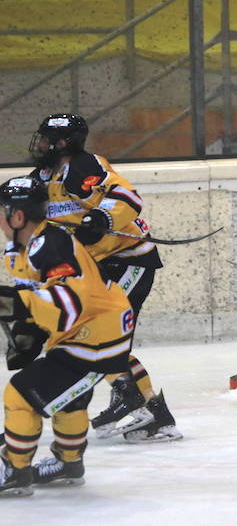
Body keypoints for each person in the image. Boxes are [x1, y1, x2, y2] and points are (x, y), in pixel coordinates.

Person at [28, 113, 180, 443]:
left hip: (128, 261)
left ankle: (137, 402)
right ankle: (152, 412)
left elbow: (128, 197)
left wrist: (101, 215)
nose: (39, 144)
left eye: (46, 138)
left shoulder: (83, 166)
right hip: (99, 266)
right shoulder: (40, 177)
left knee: (102, 334)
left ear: (65, 142)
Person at [0, 177, 136, 496]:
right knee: (69, 395)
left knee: (19, 395)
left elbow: (67, 302)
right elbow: (45, 294)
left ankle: (15, 470)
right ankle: (69, 464)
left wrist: (17, 305)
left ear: (18, 216)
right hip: (93, 327)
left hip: (94, 335)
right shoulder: (29, 244)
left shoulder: (49, 245)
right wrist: (29, 330)